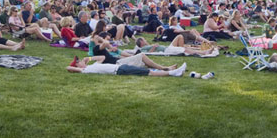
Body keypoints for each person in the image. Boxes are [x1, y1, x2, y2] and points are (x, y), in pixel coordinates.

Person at [67, 56, 213, 78]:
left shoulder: (90, 65)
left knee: (146, 70)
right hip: (119, 70)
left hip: (120, 67)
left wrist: (88, 58)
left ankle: (172, 71)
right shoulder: (84, 70)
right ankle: (172, 73)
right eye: (78, 61)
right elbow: (69, 68)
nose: (80, 61)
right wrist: (81, 66)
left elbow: (102, 58)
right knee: (146, 72)